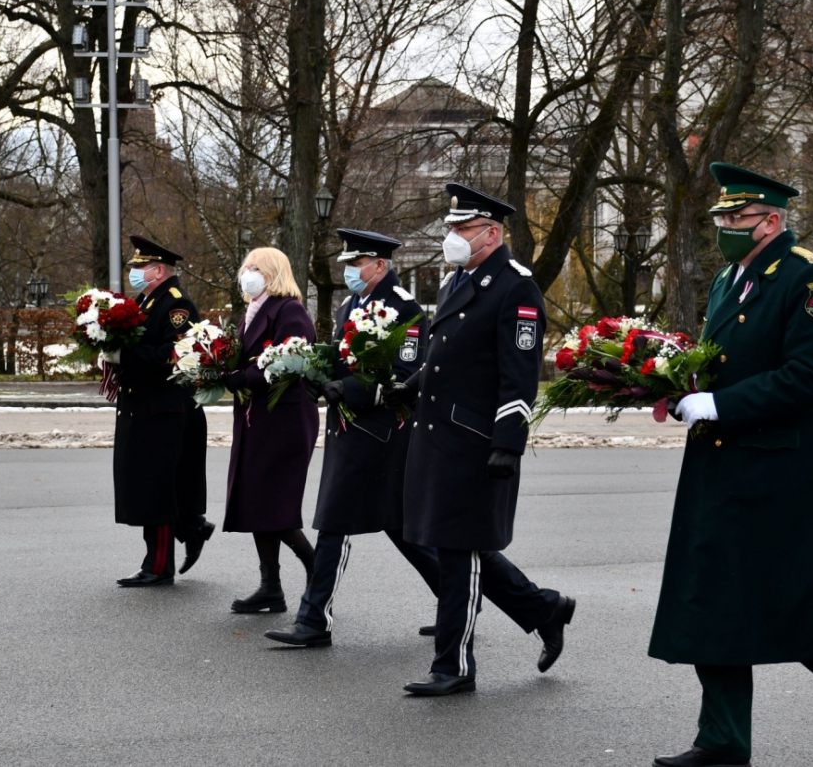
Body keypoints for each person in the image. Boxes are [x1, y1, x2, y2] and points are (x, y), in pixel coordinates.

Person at [649, 163, 813, 767]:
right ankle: (722, 740)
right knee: (712, 598)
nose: (725, 227)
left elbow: (811, 378)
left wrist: (722, 403)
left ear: (772, 220)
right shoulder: (727, 280)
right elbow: (724, 359)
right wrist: (672, 383)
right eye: (722, 218)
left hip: (781, 469)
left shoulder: (807, 278)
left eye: (737, 218)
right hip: (721, 461)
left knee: (792, 598)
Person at [394, 184, 575, 697]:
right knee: (457, 544)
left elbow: (519, 377)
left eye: (462, 229)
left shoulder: (516, 287)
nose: (452, 237)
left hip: (476, 442)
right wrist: (405, 388)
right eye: (452, 228)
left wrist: (507, 442)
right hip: (437, 436)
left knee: (459, 554)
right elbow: (441, 356)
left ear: (491, 233)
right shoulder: (457, 281)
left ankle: (453, 667)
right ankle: (544, 607)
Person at [264, 229, 439, 648]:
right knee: (398, 527)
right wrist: (318, 379)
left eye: (355, 263)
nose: (349, 272)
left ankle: (313, 621)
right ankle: (457, 595)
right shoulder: (351, 304)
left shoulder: (405, 310)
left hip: (381, 433)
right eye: (346, 263)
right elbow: (343, 360)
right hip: (348, 430)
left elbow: (403, 376)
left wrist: (352, 390)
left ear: (379, 265)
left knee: (334, 523)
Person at [110, 236, 213, 588]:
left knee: (158, 489)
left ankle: (158, 565)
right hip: (143, 408)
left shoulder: (174, 305)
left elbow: (178, 355)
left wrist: (126, 356)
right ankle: (192, 527)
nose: (135, 272)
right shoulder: (145, 301)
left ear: (159, 269)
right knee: (145, 485)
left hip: (164, 411)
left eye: (140, 267)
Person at [219, 247, 318, 614]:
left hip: (284, 422)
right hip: (258, 419)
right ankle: (270, 587)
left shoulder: (289, 310)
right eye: (246, 266)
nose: (248, 272)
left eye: (255, 267)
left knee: (276, 506)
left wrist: (238, 378)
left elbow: (291, 363)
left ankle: (318, 571)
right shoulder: (254, 310)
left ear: (273, 271)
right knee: (258, 503)